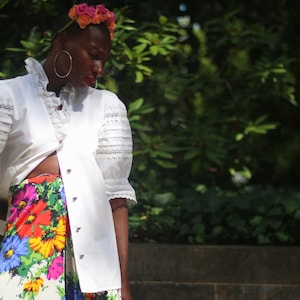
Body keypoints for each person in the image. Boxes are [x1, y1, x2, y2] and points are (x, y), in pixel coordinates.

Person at [0, 2, 136, 300]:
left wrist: (124, 284)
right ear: (63, 43)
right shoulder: (8, 96)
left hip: (95, 267)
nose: (98, 69)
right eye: (93, 56)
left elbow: (116, 198)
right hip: (26, 251)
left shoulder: (106, 106)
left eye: (103, 61)